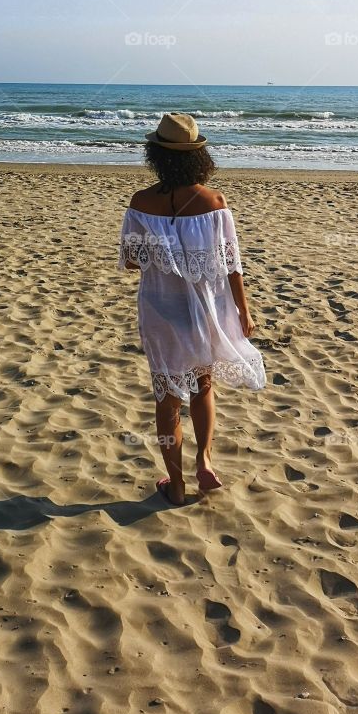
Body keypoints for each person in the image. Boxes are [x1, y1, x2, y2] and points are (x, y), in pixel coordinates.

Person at [118, 112, 266, 505]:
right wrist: (244, 311)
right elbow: (231, 263)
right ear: (198, 157)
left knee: (166, 398)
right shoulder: (214, 202)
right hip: (205, 307)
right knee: (203, 385)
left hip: (160, 309)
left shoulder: (140, 203)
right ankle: (204, 461)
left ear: (156, 155)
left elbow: (132, 261)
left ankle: (177, 484)